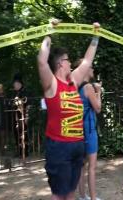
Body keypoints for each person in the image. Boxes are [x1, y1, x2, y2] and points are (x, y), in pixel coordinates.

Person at [37, 20, 100, 200]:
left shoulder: (73, 80)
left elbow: (88, 61)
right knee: (59, 195)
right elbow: (42, 60)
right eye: (68, 60)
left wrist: (96, 35)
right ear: (60, 63)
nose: (71, 63)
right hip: (58, 148)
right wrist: (49, 31)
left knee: (71, 193)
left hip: (77, 146)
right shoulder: (52, 83)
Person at [77, 61, 102, 200]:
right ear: (86, 70)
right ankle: (93, 197)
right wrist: (98, 92)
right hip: (90, 130)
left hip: (78, 130)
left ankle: (82, 196)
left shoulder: (76, 87)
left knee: (82, 165)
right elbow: (98, 108)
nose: (93, 69)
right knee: (92, 166)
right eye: (91, 67)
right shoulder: (88, 87)